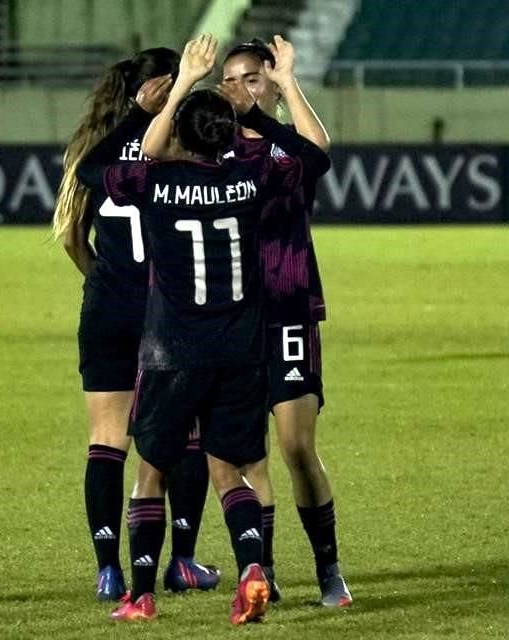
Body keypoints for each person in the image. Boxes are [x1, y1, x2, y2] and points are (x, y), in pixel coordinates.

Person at [75, 34, 331, 624]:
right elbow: (314, 159)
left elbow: (93, 167)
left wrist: (165, 99)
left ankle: (139, 594)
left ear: (178, 135)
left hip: (172, 351)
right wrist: (263, 113)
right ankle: (250, 571)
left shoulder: (154, 185)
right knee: (229, 468)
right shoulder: (250, 181)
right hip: (240, 352)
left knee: (150, 471)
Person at [52, 47, 219, 602]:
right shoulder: (179, 142)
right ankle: (183, 561)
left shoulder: (92, 148)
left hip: (107, 305)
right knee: (182, 435)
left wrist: (104, 283)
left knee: (105, 439)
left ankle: (108, 569)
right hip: (167, 310)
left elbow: (74, 237)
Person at [221, 35, 352, 608]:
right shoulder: (212, 151)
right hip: (230, 322)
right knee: (249, 455)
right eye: (230, 79)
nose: (240, 88)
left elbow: (317, 149)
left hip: (290, 308)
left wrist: (292, 79)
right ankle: (262, 570)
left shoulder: (287, 154)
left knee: (297, 446)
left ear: (270, 83)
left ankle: (329, 571)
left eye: (252, 76)